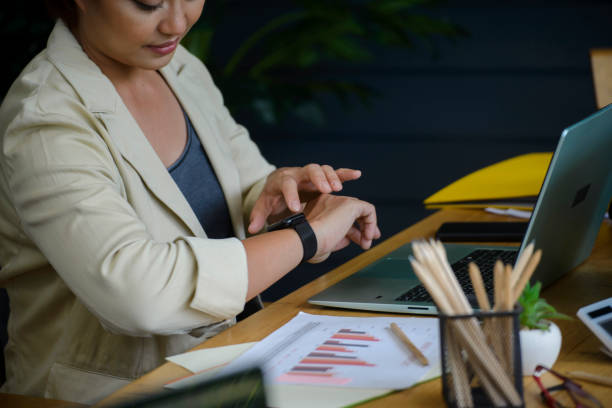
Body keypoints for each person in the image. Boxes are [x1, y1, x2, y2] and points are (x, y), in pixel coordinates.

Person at [0, 0, 380, 404]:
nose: (177, 23)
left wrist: (284, 195)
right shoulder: (44, 119)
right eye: (149, 4)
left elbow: (243, 185)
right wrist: (307, 236)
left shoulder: (180, 67)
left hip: (227, 371)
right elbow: (139, 294)